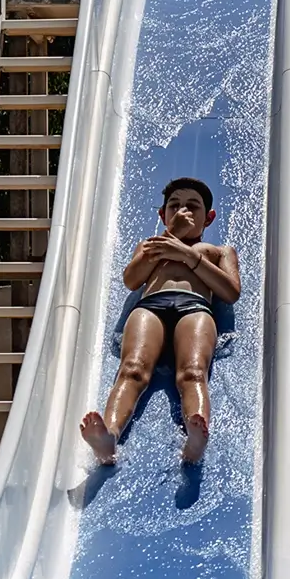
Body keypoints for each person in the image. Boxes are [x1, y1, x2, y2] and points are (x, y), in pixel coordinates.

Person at [80, 177, 241, 465]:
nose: (183, 212)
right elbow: (132, 280)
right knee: (132, 369)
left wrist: (188, 255)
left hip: (195, 307)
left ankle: (195, 439)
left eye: (193, 207)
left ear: (209, 217)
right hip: (150, 307)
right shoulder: (151, 245)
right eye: (174, 206)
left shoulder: (219, 251)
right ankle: (109, 437)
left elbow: (230, 292)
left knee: (192, 372)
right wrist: (170, 238)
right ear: (163, 215)